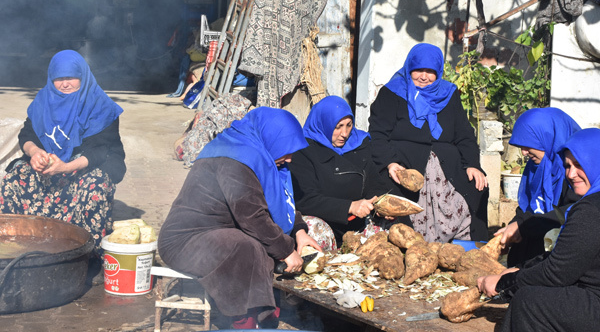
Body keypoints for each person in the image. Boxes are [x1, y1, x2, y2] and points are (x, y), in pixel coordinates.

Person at [157, 107, 321, 330]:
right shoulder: (235, 157)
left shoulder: (261, 156)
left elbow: (279, 203)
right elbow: (253, 216)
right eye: (287, 149)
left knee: (261, 244)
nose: (290, 158)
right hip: (185, 241)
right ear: (270, 138)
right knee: (248, 247)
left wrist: (299, 231)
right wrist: (286, 251)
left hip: (223, 232)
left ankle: (266, 318)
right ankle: (244, 323)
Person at [0, 50, 126, 255]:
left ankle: (88, 256)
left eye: (71, 77)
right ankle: (18, 249)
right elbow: (27, 134)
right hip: (50, 168)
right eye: (58, 78)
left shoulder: (100, 106)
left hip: (84, 168)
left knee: (95, 187)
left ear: (83, 77)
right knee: (14, 179)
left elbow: (101, 151)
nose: (65, 83)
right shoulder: (43, 100)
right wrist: (36, 153)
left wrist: (66, 167)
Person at [478, 128, 600, 332]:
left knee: (529, 302)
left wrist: (504, 284)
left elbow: (558, 273)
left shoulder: (590, 210)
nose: (571, 174)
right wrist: (521, 270)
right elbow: (568, 256)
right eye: (567, 166)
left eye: (579, 165)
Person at [368, 43, 488, 242]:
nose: (424, 76)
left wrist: (472, 165)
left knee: (476, 187)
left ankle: (463, 247)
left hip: (447, 168)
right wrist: (390, 163)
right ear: (409, 68)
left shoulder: (449, 94)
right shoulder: (392, 93)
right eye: (418, 70)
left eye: (430, 71)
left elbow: (464, 135)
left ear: (438, 71)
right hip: (405, 166)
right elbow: (378, 134)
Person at [290, 95, 389, 249]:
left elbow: (373, 182)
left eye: (349, 125)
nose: (344, 133)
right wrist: (349, 207)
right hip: (325, 222)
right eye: (338, 127)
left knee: (391, 226)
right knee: (314, 229)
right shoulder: (304, 151)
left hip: (357, 222)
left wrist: (384, 203)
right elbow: (305, 200)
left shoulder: (358, 144)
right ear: (324, 124)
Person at [496, 107, 581, 266]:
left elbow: (572, 212)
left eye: (528, 145)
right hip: (530, 257)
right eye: (520, 146)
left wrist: (524, 226)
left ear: (547, 138)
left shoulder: (575, 173)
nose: (523, 152)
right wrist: (513, 230)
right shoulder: (535, 168)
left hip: (558, 260)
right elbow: (527, 207)